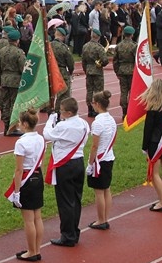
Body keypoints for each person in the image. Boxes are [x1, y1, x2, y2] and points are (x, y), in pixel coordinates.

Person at [43, 97, 89, 246]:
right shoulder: (83, 123)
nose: (60, 113)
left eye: (62, 111)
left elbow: (47, 134)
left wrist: (51, 119)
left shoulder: (63, 127)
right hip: (78, 162)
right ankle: (74, 231)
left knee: (65, 201)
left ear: (68, 112)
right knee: (75, 199)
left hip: (65, 164)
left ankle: (67, 235)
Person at [8, 108, 45, 262]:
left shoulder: (21, 142)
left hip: (26, 179)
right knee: (37, 216)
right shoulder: (41, 138)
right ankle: (36, 248)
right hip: (38, 176)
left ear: (24, 123)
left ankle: (31, 251)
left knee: (29, 219)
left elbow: (18, 169)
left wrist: (16, 191)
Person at [140, 79, 162, 211]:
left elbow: (148, 129)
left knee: (154, 174)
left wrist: (144, 147)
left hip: (155, 144)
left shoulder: (153, 107)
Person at [87, 90, 116, 229]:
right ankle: (105, 217)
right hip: (109, 156)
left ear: (97, 104)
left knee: (99, 192)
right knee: (106, 189)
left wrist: (90, 163)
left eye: (93, 103)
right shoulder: (111, 119)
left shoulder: (98, 122)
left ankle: (101, 220)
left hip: (100, 160)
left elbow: (94, 146)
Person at [0, 30, 26, 136]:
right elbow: (23, 68)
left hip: (4, 80)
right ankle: (12, 127)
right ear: (17, 40)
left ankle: (7, 126)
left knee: (6, 104)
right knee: (14, 105)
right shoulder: (19, 52)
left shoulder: (1, 51)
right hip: (15, 81)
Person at [81, 29, 109, 118]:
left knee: (89, 90)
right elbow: (105, 60)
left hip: (89, 70)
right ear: (98, 37)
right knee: (98, 91)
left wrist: (86, 70)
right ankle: (97, 109)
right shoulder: (99, 47)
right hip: (97, 71)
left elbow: (83, 60)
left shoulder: (85, 46)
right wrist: (102, 64)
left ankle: (90, 109)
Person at [113, 26, 136, 120]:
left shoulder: (119, 46)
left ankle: (124, 112)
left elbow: (115, 61)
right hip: (132, 71)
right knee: (132, 92)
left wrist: (117, 71)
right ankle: (131, 111)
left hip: (122, 70)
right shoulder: (134, 46)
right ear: (132, 35)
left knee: (123, 91)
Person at [51, 27, 75, 113]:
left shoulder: (48, 46)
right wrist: (71, 71)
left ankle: (50, 112)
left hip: (49, 72)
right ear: (63, 36)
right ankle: (58, 113)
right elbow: (70, 62)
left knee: (50, 95)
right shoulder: (63, 47)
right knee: (63, 94)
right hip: (61, 72)